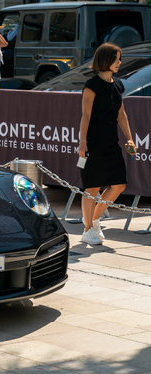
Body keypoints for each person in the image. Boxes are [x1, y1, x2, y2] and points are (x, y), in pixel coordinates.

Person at [78, 43, 136, 245]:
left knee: (119, 184)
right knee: (91, 188)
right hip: (93, 142)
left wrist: (129, 138)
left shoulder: (118, 85)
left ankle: (94, 219)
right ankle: (87, 230)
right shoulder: (91, 85)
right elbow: (85, 116)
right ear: (105, 60)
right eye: (116, 59)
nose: (119, 62)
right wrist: (82, 143)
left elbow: (121, 114)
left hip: (112, 141)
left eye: (119, 58)